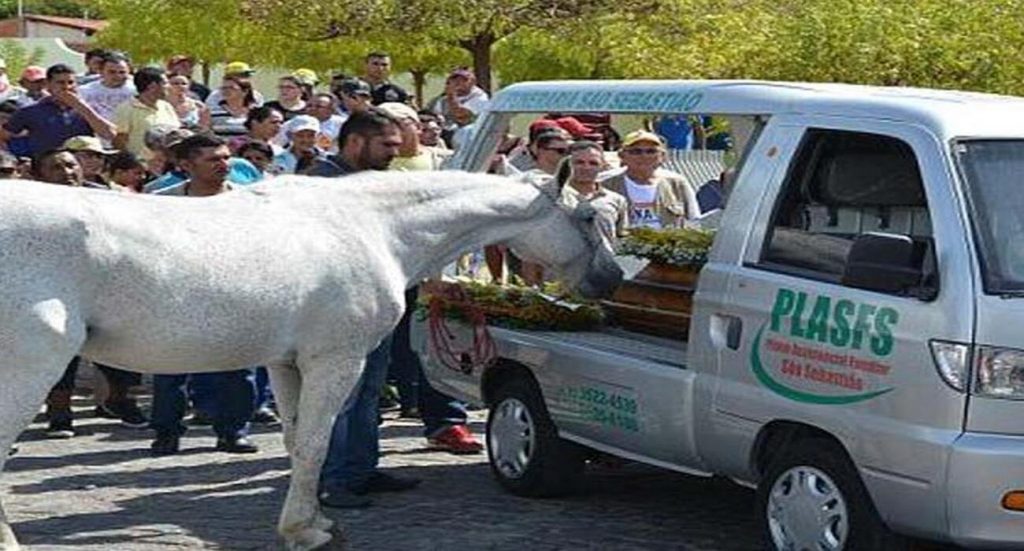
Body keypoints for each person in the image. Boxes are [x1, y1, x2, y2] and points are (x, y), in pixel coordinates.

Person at [308, 110, 420, 508]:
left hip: (374, 305)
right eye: (387, 145)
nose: (396, 152)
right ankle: (329, 479)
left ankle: (360, 469)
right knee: (339, 397)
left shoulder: (375, 183)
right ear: (356, 142)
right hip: (334, 310)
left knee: (369, 392)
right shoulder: (319, 183)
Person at [374, 101, 483, 453]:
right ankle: (366, 421)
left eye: (401, 123)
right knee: (379, 346)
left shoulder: (445, 161)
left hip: (437, 269)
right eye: (386, 126)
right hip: (388, 268)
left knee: (440, 342)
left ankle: (447, 422)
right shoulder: (376, 168)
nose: (394, 132)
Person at [149, 134, 259, 456]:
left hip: (235, 294)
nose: (223, 165)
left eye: (226, 158)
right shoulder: (162, 202)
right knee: (170, 368)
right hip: (177, 295)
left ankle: (234, 431)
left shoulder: (248, 202)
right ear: (186, 165)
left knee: (238, 369)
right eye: (213, 159)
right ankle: (166, 432)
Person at [31, 149, 148, 437]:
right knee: (59, 355)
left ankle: (119, 398)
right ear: (39, 175)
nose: (67, 172)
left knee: (121, 348)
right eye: (55, 167)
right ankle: (60, 414)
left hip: (106, 286)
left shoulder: (107, 198)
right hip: (51, 290)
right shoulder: (32, 205)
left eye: (71, 165)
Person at [0, 64, 116, 157]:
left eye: (71, 82)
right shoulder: (30, 111)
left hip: (81, 167)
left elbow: (110, 134)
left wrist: (81, 107)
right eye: (60, 82)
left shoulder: (89, 109)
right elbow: (4, 136)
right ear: (48, 85)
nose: (67, 87)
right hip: (44, 168)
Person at [599, 130, 700, 228]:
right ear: (622, 156)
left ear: (662, 156)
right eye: (636, 151)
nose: (644, 156)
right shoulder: (604, 182)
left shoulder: (677, 183)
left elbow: (694, 221)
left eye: (651, 151)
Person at [558, 141, 628, 247]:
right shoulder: (551, 198)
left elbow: (622, 237)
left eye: (593, 163)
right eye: (579, 162)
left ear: (602, 166)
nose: (586, 168)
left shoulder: (616, 200)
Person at [112, 66, 180, 159]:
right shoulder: (127, 109)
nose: (169, 87)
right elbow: (119, 141)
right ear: (152, 86)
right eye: (165, 83)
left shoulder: (166, 106)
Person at [79, 51, 136, 123]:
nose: (117, 76)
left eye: (122, 72)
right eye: (112, 72)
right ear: (101, 71)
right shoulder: (85, 91)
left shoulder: (137, 91)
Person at [209, 74, 257, 138]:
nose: (226, 90)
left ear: (245, 91)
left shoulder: (255, 112)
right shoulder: (212, 111)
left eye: (232, 88)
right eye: (224, 88)